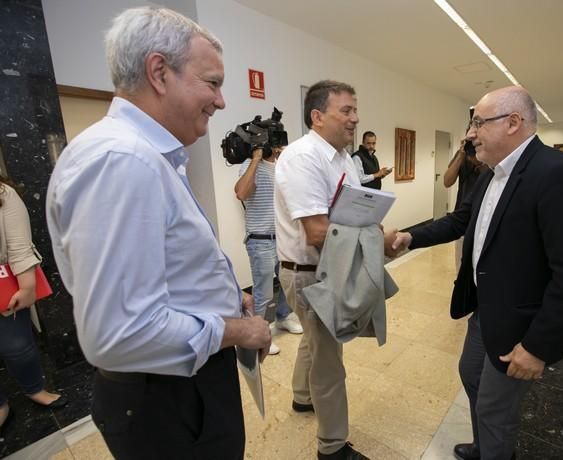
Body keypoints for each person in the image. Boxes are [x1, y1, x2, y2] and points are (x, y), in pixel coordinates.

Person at [46, 7, 270, 459]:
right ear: (159, 72)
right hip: (167, 398)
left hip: (174, 387)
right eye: (212, 82)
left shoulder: (147, 156)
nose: (221, 101)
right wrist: (239, 330)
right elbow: (120, 334)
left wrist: (227, 297)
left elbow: (164, 272)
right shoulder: (123, 161)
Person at [385, 86, 563, 460]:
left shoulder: (558, 175)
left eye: (479, 123)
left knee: (494, 409)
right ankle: (485, 445)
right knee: (471, 374)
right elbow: (460, 220)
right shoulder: (491, 174)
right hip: (486, 312)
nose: (470, 133)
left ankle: (495, 449)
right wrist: (408, 236)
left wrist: (537, 348)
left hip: (523, 324)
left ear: (514, 123)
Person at [275, 80, 369, 460]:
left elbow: (355, 212)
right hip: (308, 271)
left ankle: (301, 398)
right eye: (345, 111)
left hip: (330, 266)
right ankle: (332, 447)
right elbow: (317, 232)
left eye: (354, 110)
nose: (355, 118)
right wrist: (373, 244)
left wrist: (372, 227)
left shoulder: (343, 158)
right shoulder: (302, 157)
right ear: (317, 116)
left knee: (313, 340)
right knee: (330, 360)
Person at [0, 178, 67, 435]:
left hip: (5, 285)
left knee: (17, 347)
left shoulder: (4, 194)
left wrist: (28, 286)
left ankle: (34, 389)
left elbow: (19, 245)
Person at [235, 146, 303, 356]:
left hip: (283, 238)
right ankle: (260, 334)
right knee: (263, 292)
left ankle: (283, 317)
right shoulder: (249, 164)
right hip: (261, 240)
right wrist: (255, 159)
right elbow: (241, 193)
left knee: (287, 282)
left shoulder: (282, 165)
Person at [443, 127, 489, 269]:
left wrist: (478, 162)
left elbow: (491, 178)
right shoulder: (461, 154)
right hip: (463, 217)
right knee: (461, 266)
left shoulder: (489, 155)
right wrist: (461, 155)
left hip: (484, 218)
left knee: (481, 266)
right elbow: (447, 181)